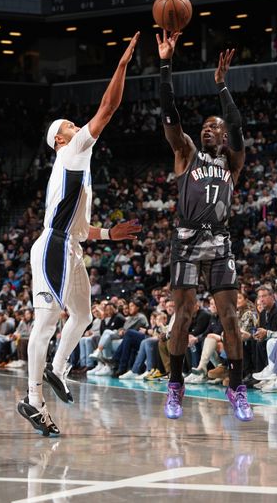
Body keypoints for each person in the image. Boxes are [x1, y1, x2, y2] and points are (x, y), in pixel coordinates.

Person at [18, 32, 143, 438]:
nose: (78, 127)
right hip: (53, 246)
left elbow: (83, 230)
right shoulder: (72, 153)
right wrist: (122, 66)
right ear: (59, 138)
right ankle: (33, 400)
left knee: (84, 315)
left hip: (68, 245)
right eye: (70, 125)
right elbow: (108, 108)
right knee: (47, 322)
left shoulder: (77, 170)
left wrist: (109, 232)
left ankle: (57, 368)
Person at [157, 29, 252, 422]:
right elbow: (169, 114)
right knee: (183, 314)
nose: (207, 129)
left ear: (224, 136)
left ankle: (237, 388)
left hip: (220, 242)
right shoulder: (185, 154)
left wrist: (221, 87)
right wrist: (166, 65)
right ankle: (176, 385)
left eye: (214, 127)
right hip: (186, 239)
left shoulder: (233, 162)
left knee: (229, 317)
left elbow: (238, 126)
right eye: (205, 127)